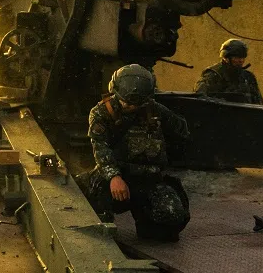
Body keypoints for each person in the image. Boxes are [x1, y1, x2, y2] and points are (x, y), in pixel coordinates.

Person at [80, 64, 191, 241]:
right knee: (93, 195)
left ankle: (146, 221)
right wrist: (114, 177)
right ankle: (103, 220)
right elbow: (100, 147)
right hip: (117, 178)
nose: (131, 107)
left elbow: (181, 131)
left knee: (171, 220)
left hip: (148, 179)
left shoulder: (153, 109)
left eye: (136, 104)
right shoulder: (102, 113)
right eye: (127, 103)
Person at [194, 39, 263, 104]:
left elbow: (259, 103)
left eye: (243, 57)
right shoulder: (213, 75)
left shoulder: (248, 77)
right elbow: (200, 98)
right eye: (237, 57)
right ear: (226, 58)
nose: (241, 60)